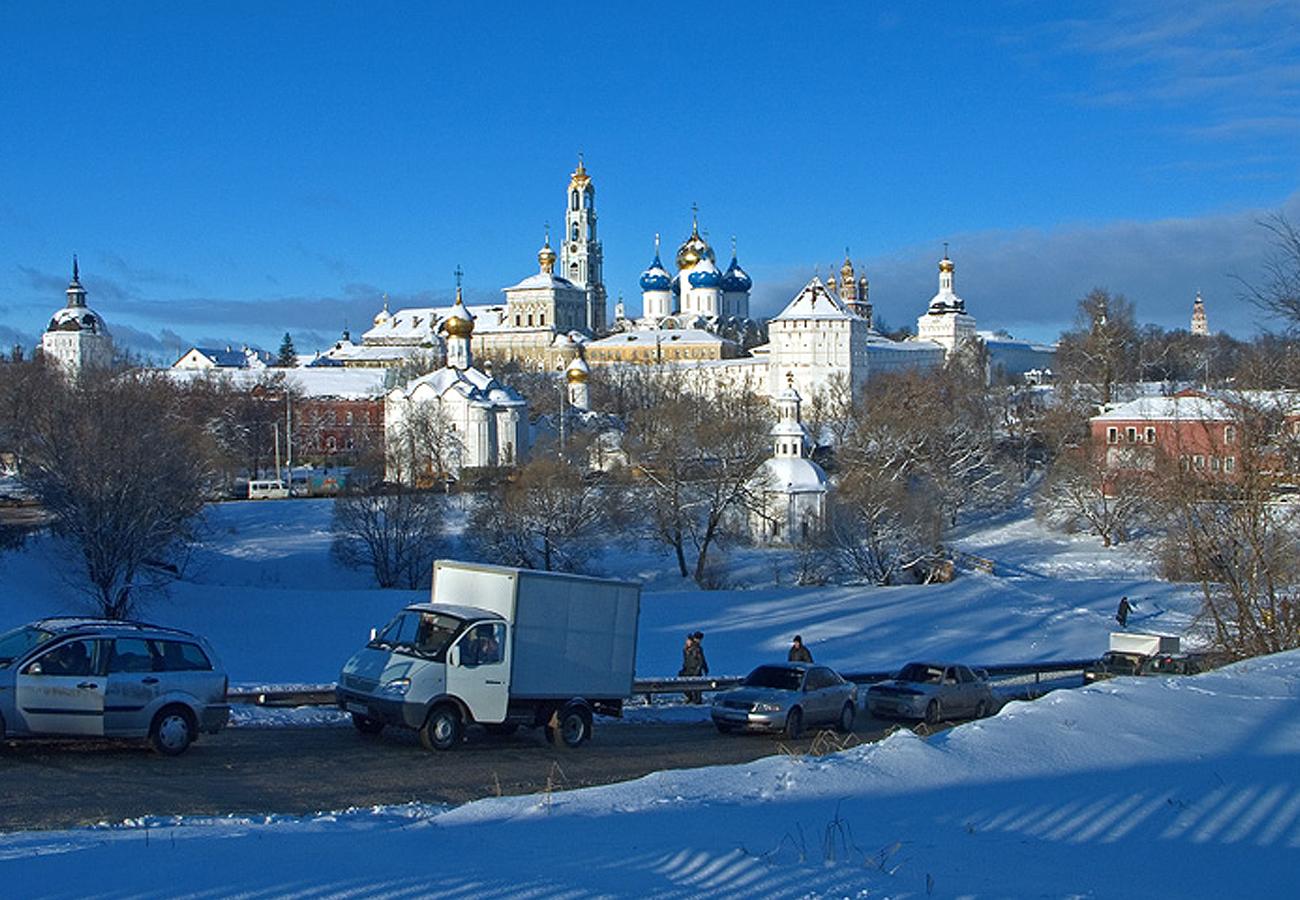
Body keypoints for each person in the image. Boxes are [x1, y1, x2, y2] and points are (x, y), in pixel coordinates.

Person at [679, 632, 706, 703]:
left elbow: (701, 659)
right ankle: (693, 698)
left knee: (696, 687)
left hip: (692, 669)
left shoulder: (696, 648)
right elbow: (700, 660)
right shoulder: (695, 648)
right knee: (689, 685)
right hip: (690, 669)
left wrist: (704, 667)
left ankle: (695, 699)